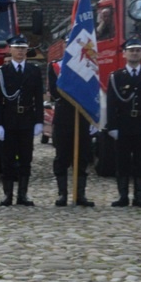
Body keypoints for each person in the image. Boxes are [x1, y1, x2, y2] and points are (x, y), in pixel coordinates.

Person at [106, 37, 141, 207]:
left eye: (138, 50)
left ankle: (139, 196)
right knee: (122, 161)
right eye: (131, 50)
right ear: (124, 54)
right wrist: (112, 126)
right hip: (123, 123)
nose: (134, 53)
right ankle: (123, 196)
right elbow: (111, 103)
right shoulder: (116, 76)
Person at [0, 35, 44, 206]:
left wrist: (39, 121)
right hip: (8, 120)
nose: (20, 51)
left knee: (25, 159)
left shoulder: (34, 70)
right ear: (10, 50)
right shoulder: (2, 72)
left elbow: (38, 97)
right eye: (17, 48)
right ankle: (8, 195)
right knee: (7, 160)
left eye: (23, 48)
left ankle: (23, 194)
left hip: (27, 119)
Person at [47, 62, 96, 207]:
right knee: (62, 157)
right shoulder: (56, 66)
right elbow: (54, 92)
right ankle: (62, 194)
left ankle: (80, 194)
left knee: (82, 157)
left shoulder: (87, 64)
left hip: (82, 116)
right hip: (63, 117)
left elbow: (92, 89)